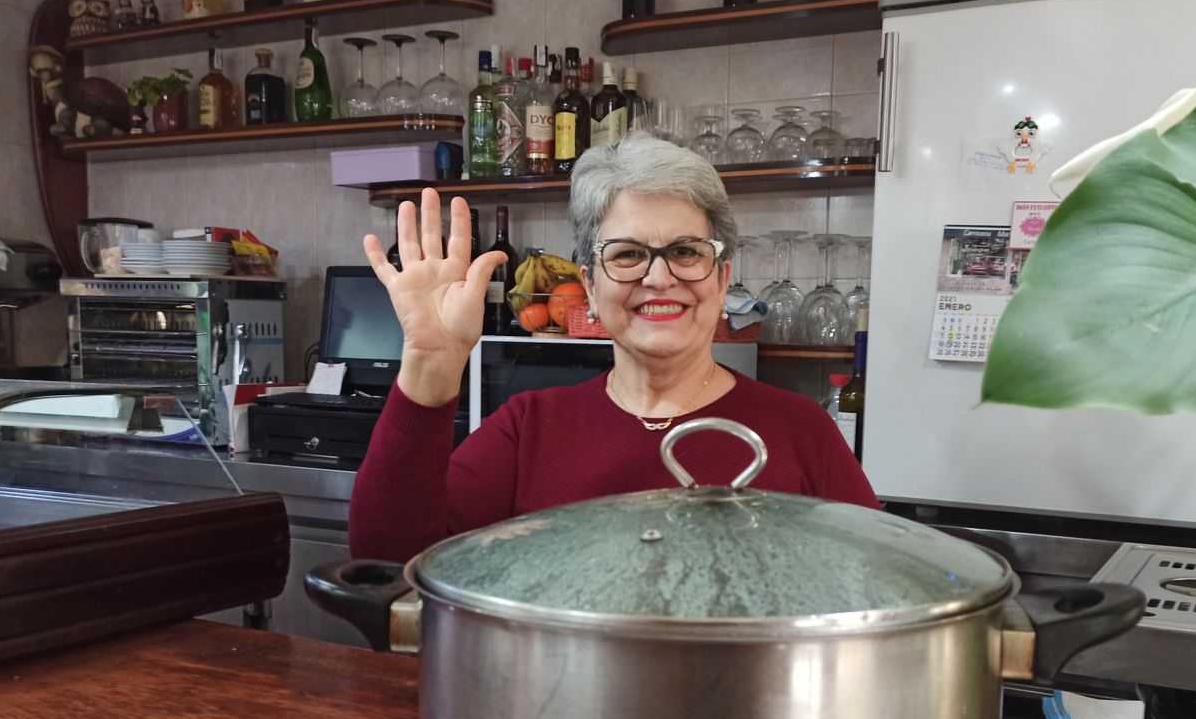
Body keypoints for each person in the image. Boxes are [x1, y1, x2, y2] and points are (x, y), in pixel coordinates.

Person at [349, 133, 877, 562]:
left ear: (721, 281)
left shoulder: (802, 432)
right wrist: (431, 362)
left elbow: (875, 584)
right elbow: (388, 557)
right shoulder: (529, 429)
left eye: (686, 252)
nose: (659, 278)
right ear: (590, 286)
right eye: (626, 255)